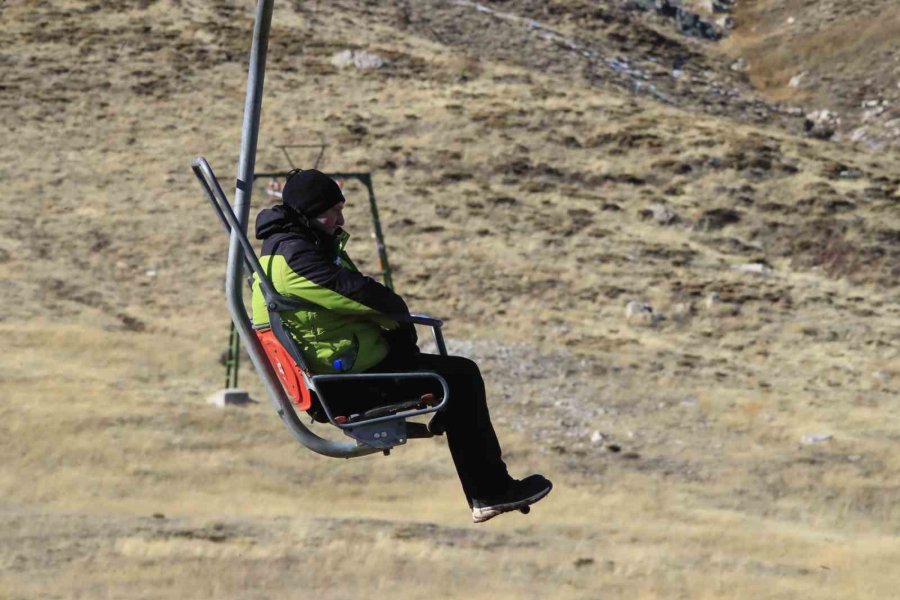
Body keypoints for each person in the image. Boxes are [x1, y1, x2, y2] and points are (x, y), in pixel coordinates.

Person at [251, 168, 552, 523]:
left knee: (452, 376)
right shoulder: (297, 260)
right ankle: (490, 491)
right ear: (309, 212)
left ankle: (465, 442)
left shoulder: (287, 252)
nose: (340, 219)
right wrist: (400, 322)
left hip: (349, 375)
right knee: (461, 376)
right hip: (346, 387)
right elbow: (360, 295)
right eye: (332, 210)